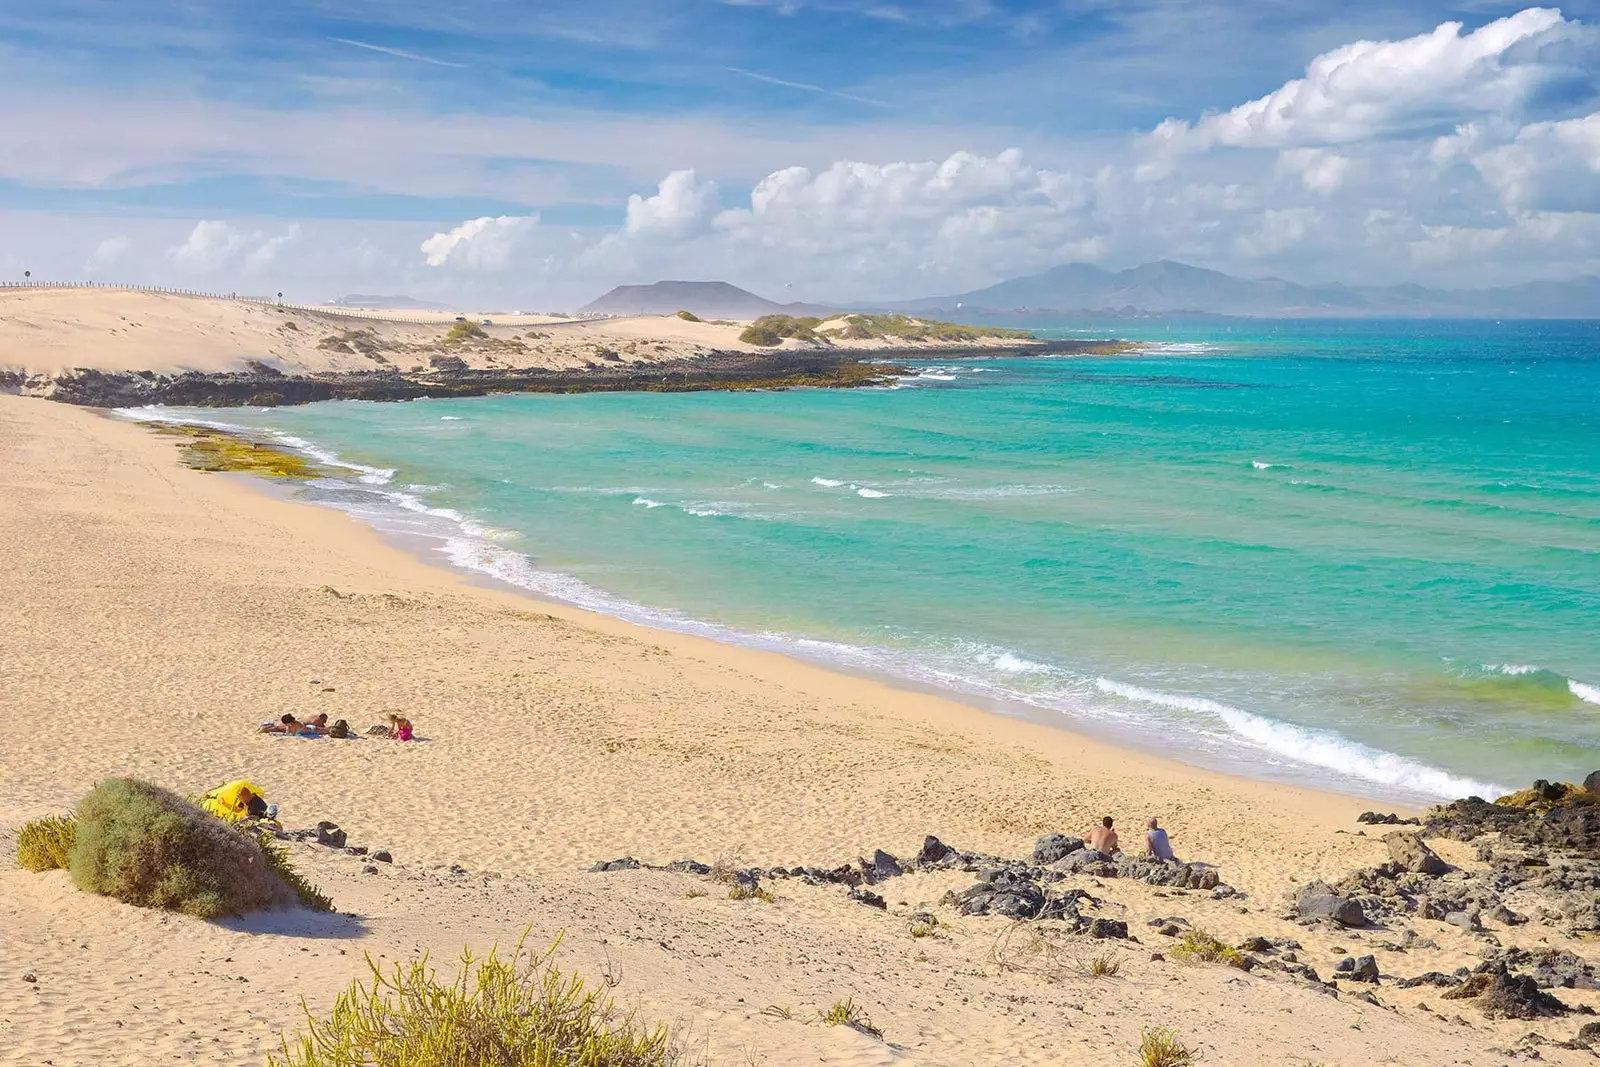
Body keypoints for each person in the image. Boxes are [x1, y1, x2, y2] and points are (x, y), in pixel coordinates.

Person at [200, 779, 272, 823]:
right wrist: (224, 803)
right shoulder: (247, 800)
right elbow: (237, 809)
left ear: (245, 798)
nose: (241, 801)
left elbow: (254, 819)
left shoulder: (255, 805)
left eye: (241, 799)